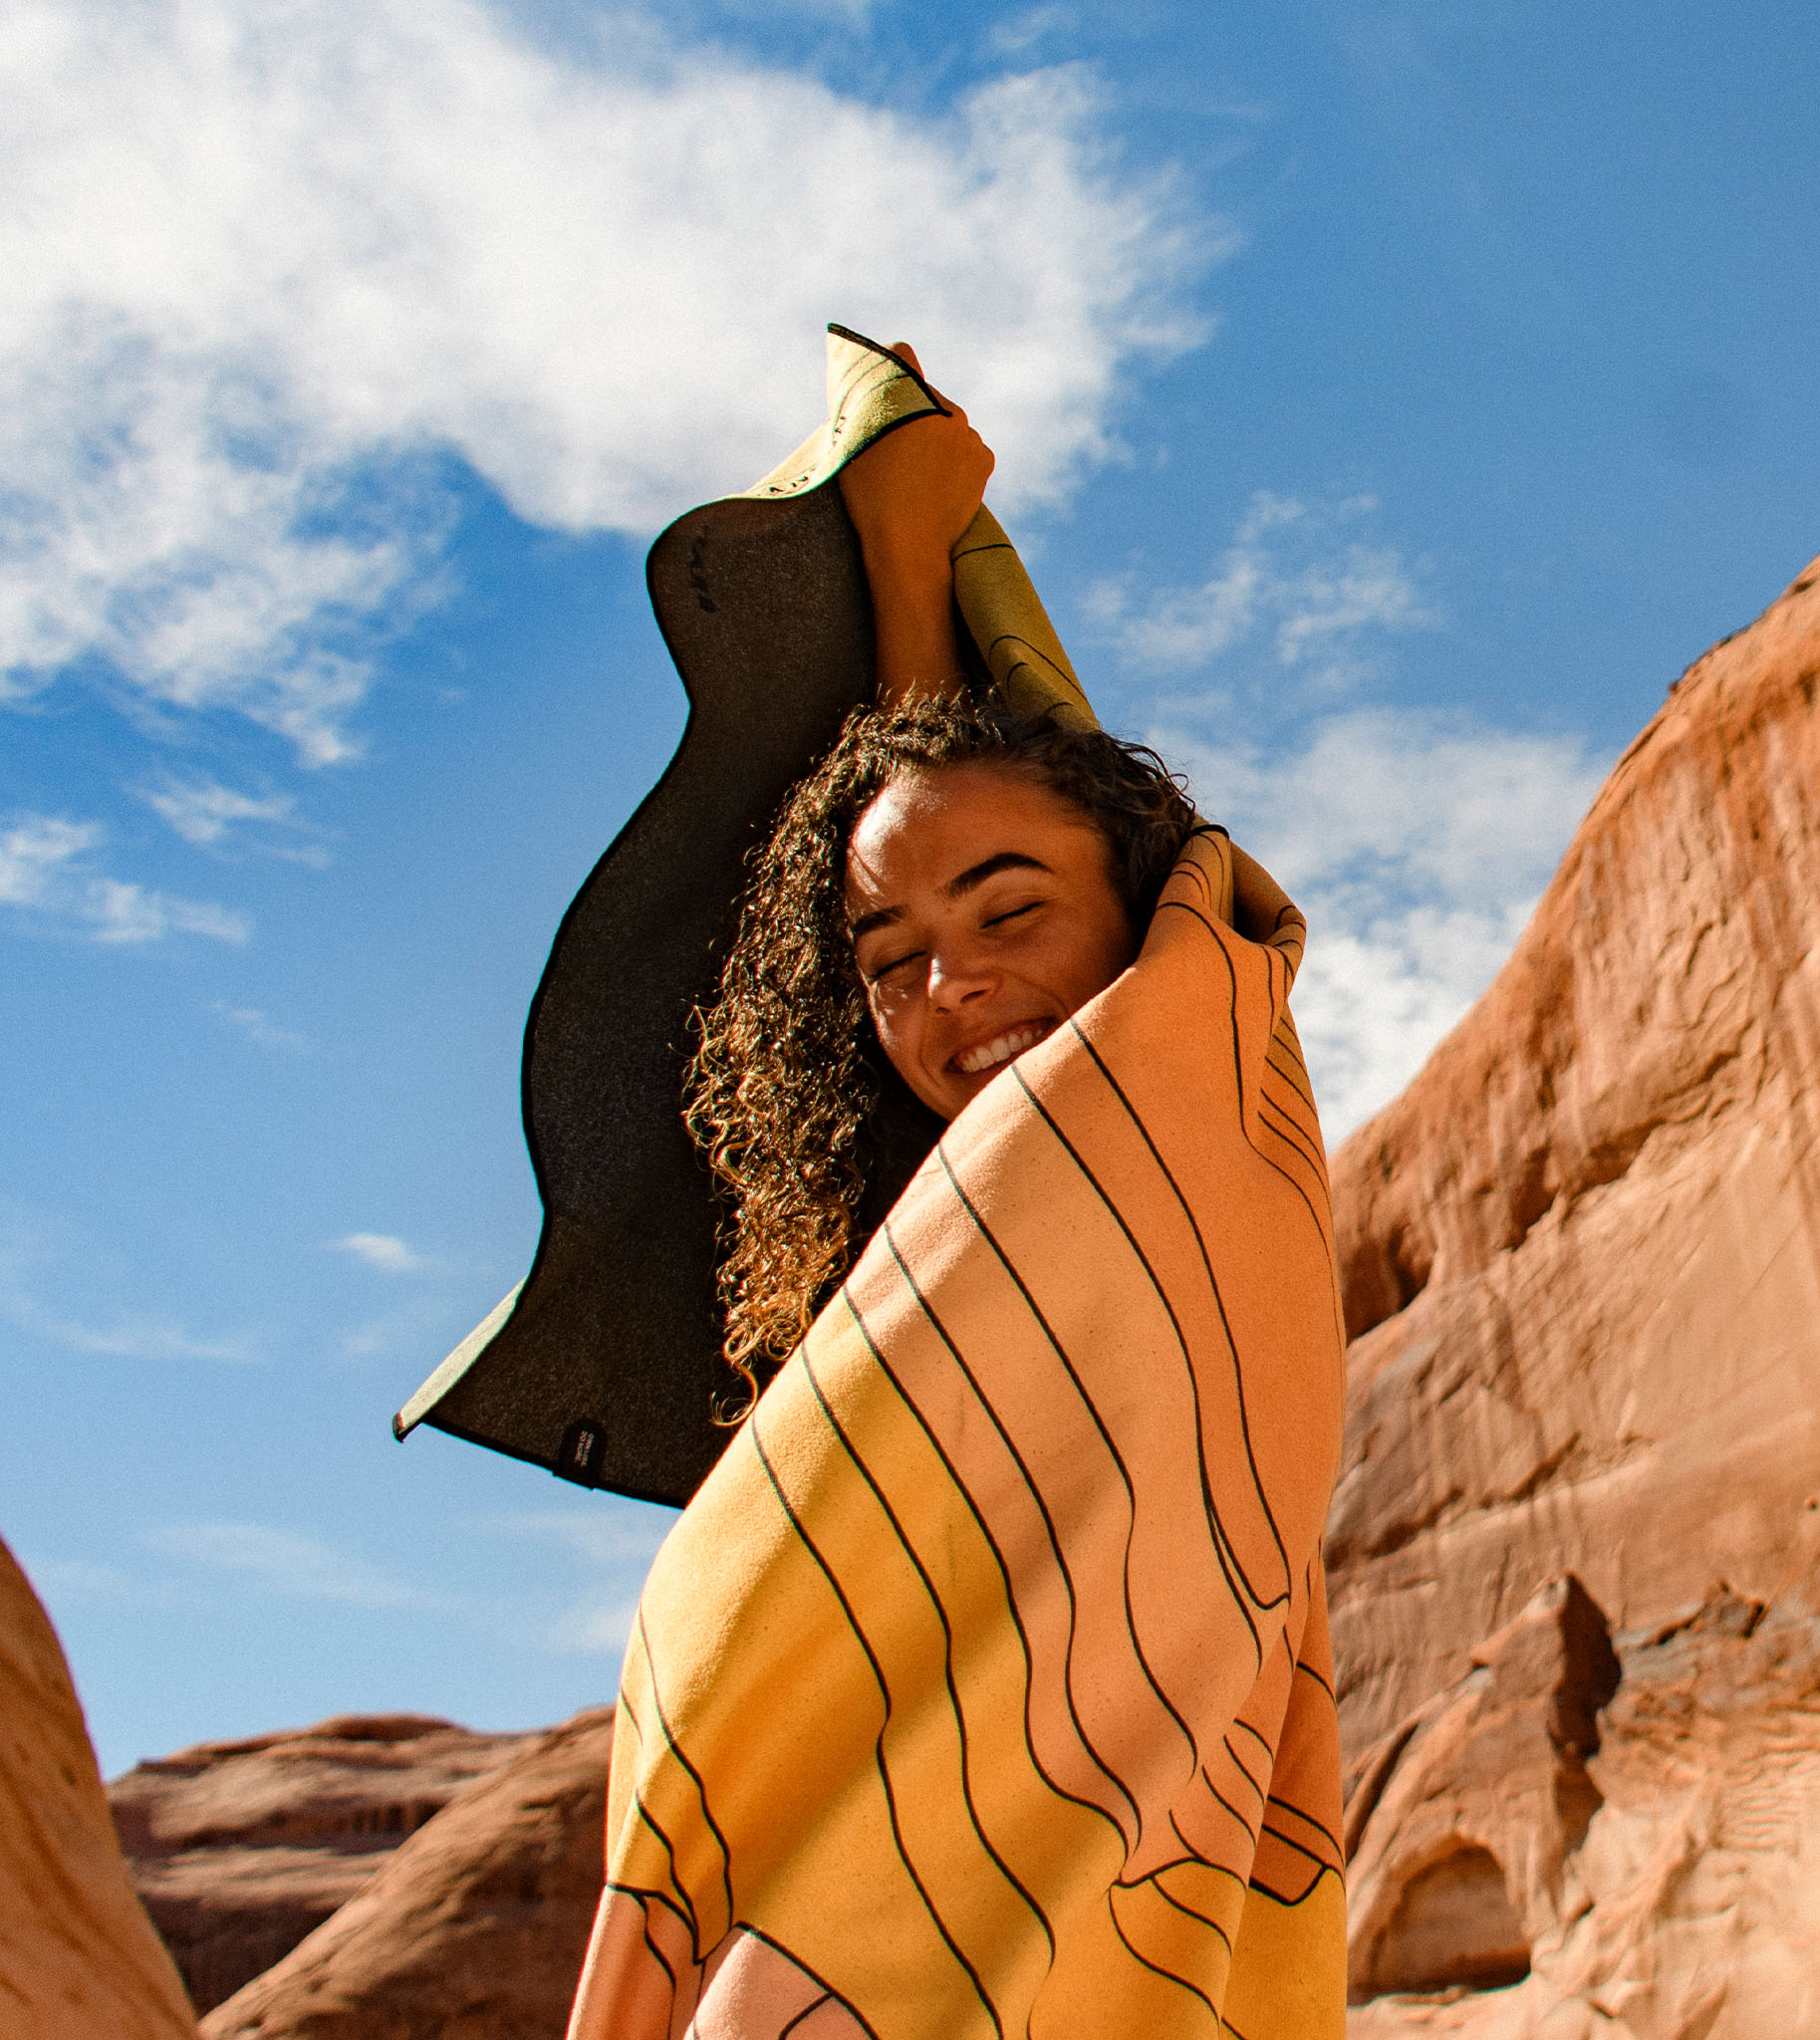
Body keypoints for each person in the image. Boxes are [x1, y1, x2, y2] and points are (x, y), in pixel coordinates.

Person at [566, 343, 1348, 2039]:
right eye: (891, 963)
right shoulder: (921, 1226)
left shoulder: (1191, 1107)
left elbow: (1016, 783)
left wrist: (919, 557)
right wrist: (910, 560)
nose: (953, 989)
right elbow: (919, 820)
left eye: (1014, 918)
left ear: (1142, 913)